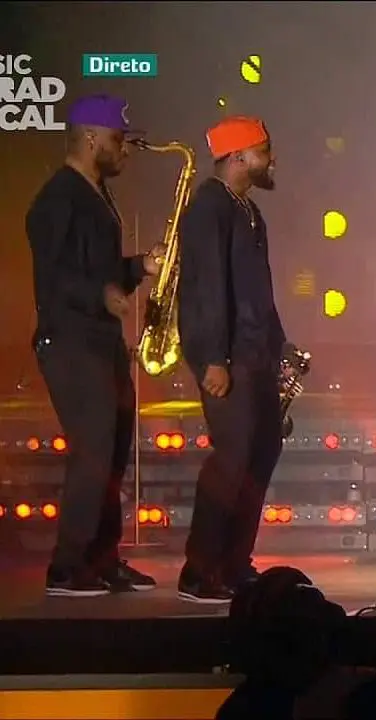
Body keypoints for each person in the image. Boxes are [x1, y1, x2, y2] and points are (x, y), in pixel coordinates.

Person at [26, 94, 163, 598]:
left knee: (113, 451)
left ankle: (102, 559)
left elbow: (98, 272)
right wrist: (102, 293)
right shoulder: (58, 197)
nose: (124, 148)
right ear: (90, 138)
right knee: (93, 450)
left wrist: (139, 267)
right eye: (117, 138)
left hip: (100, 341)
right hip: (70, 341)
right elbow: (53, 277)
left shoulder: (96, 193)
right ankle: (67, 567)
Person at [177, 115, 287, 604]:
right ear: (239, 156)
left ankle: (234, 562)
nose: (272, 159)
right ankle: (199, 570)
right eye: (264, 150)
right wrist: (212, 358)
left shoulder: (248, 210)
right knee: (232, 458)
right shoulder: (209, 206)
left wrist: (280, 347)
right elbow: (206, 289)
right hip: (229, 355)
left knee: (260, 454)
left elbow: (257, 290)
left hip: (255, 354)